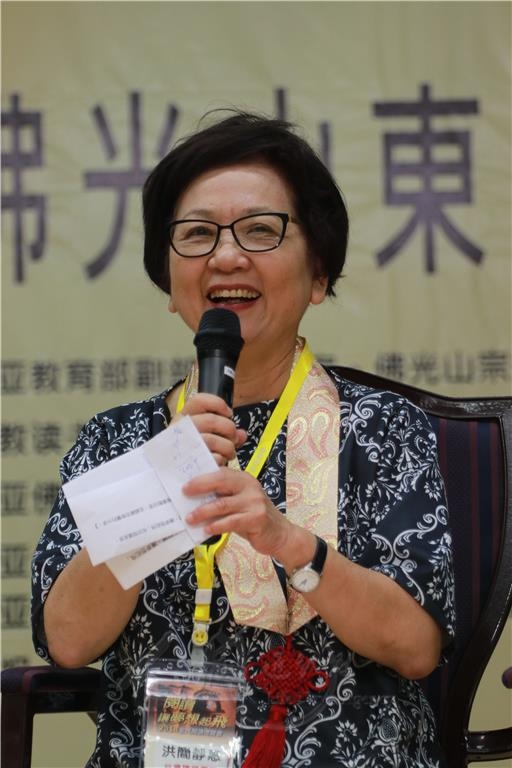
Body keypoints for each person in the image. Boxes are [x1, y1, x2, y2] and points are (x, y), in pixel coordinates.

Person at [32, 110, 455, 767]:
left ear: (319, 275)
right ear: (168, 283)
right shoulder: (117, 441)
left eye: (261, 230)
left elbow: (415, 647)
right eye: (197, 234)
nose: (226, 256)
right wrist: (156, 485)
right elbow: (67, 640)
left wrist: (287, 542)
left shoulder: (383, 429)